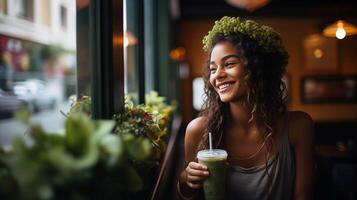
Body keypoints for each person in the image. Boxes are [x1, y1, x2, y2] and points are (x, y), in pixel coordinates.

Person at [177, 16, 315, 200]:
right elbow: (189, 196)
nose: (217, 76)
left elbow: (303, 196)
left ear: (259, 68)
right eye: (212, 68)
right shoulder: (198, 130)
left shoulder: (298, 126)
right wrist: (186, 180)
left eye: (229, 64)